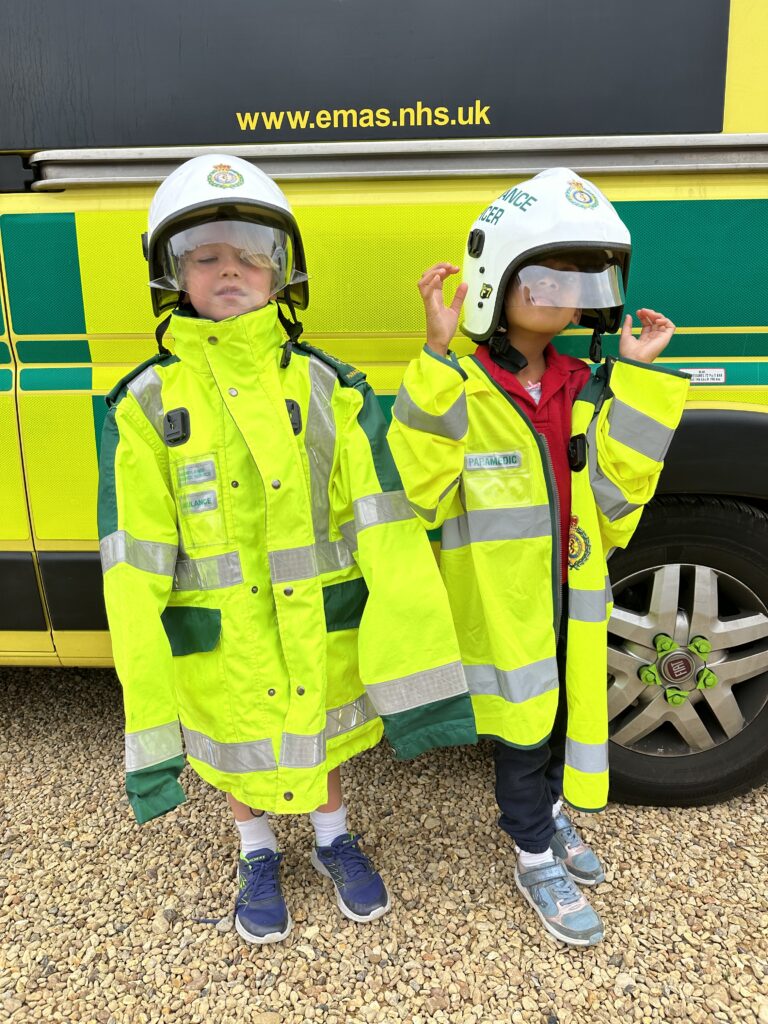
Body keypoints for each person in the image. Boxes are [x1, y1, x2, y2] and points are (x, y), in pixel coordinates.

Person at [97, 154, 476, 945]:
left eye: (248, 255)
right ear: (173, 277)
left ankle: (334, 837)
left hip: (315, 621)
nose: (228, 269)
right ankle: (256, 850)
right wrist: (146, 677)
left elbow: (386, 515)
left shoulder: (327, 387)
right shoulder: (145, 403)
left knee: (320, 731)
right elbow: (133, 555)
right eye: (205, 256)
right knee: (237, 749)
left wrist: (412, 643)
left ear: (282, 276)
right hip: (222, 633)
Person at [387, 167, 690, 946]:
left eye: (583, 281)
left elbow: (619, 499)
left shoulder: (584, 383)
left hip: (571, 597)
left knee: (561, 724)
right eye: (547, 278)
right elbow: (419, 486)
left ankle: (550, 820)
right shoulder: (462, 384)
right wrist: (433, 352)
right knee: (524, 734)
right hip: (506, 607)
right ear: (499, 282)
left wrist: (641, 376)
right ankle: (531, 854)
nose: (566, 296)